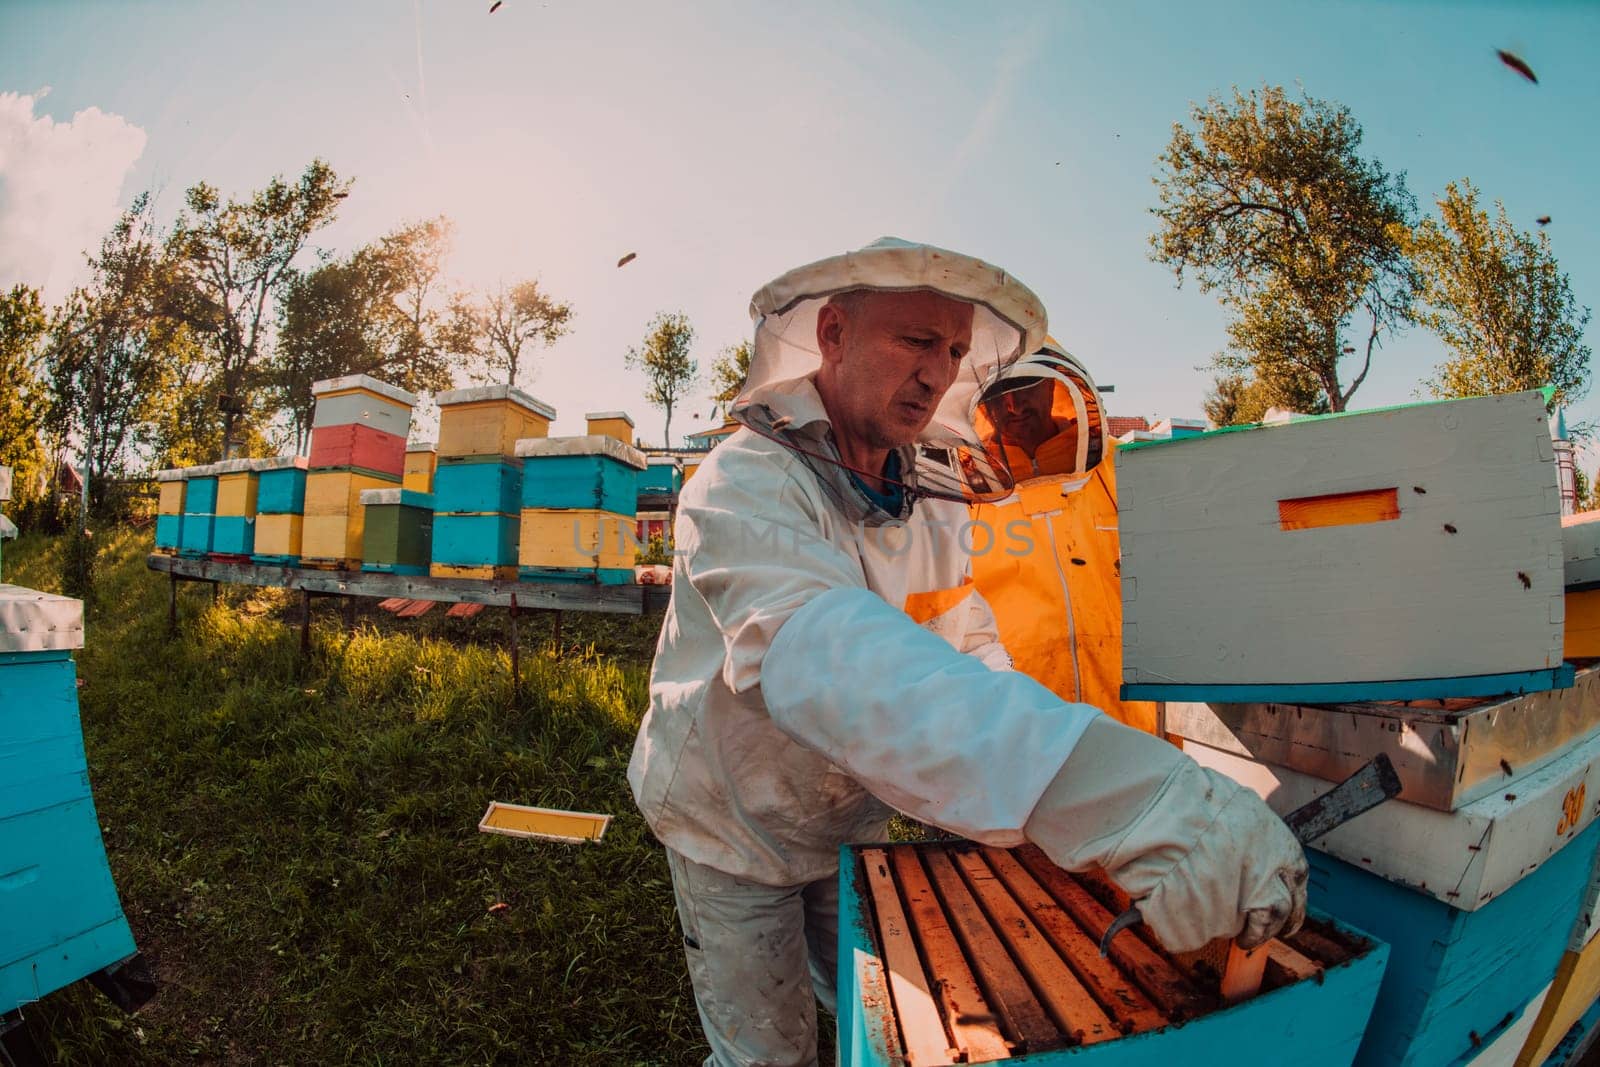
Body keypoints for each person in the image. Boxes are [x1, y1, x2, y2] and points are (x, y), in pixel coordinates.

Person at [628, 237, 1307, 1067]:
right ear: (833, 332)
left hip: (848, 821)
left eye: (952, 351)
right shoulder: (744, 484)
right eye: (916, 340)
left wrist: (1032, 787)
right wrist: (1120, 796)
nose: (938, 373)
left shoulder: (929, 497)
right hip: (730, 820)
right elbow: (829, 661)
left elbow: (968, 639)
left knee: (872, 1017)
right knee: (766, 1051)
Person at [970, 341, 1158, 733]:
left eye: (1025, 388)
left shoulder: (1126, 471)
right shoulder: (959, 494)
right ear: (979, 406)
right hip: (1020, 733)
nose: (1015, 407)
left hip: (1133, 723)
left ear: (1053, 386)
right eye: (997, 397)